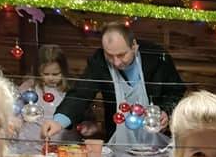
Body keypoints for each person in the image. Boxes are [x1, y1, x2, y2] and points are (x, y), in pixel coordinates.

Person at [42, 23, 184, 144]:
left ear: (134, 46)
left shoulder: (157, 56)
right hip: (118, 136)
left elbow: (175, 90)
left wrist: (166, 111)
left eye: (122, 55)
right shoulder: (99, 61)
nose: (116, 62)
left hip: (156, 134)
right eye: (109, 55)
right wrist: (59, 121)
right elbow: (81, 93)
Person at [14, 44, 78, 149]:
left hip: (63, 146)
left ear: (63, 71)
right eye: (46, 74)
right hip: (31, 145)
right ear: (38, 71)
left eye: (55, 74)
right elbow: (17, 109)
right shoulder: (29, 87)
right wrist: (14, 121)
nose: (51, 78)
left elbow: (80, 114)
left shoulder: (71, 89)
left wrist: (87, 124)